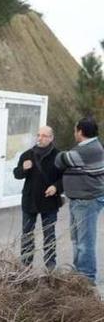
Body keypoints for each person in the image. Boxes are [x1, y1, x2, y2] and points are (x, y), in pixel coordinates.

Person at [54, 117, 104, 283]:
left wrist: (63, 156)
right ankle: (79, 274)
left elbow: (60, 160)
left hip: (86, 201)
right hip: (81, 200)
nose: (74, 133)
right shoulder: (88, 147)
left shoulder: (88, 149)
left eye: (75, 130)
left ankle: (87, 278)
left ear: (81, 131)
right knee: (77, 240)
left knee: (85, 242)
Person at [12, 126, 62, 270]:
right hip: (30, 200)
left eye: (44, 136)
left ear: (51, 138)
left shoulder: (58, 156)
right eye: (38, 135)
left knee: (49, 234)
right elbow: (17, 174)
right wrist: (23, 169)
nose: (40, 138)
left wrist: (56, 187)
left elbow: (65, 177)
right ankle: (26, 265)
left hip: (49, 201)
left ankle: (50, 265)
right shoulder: (27, 154)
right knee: (27, 234)